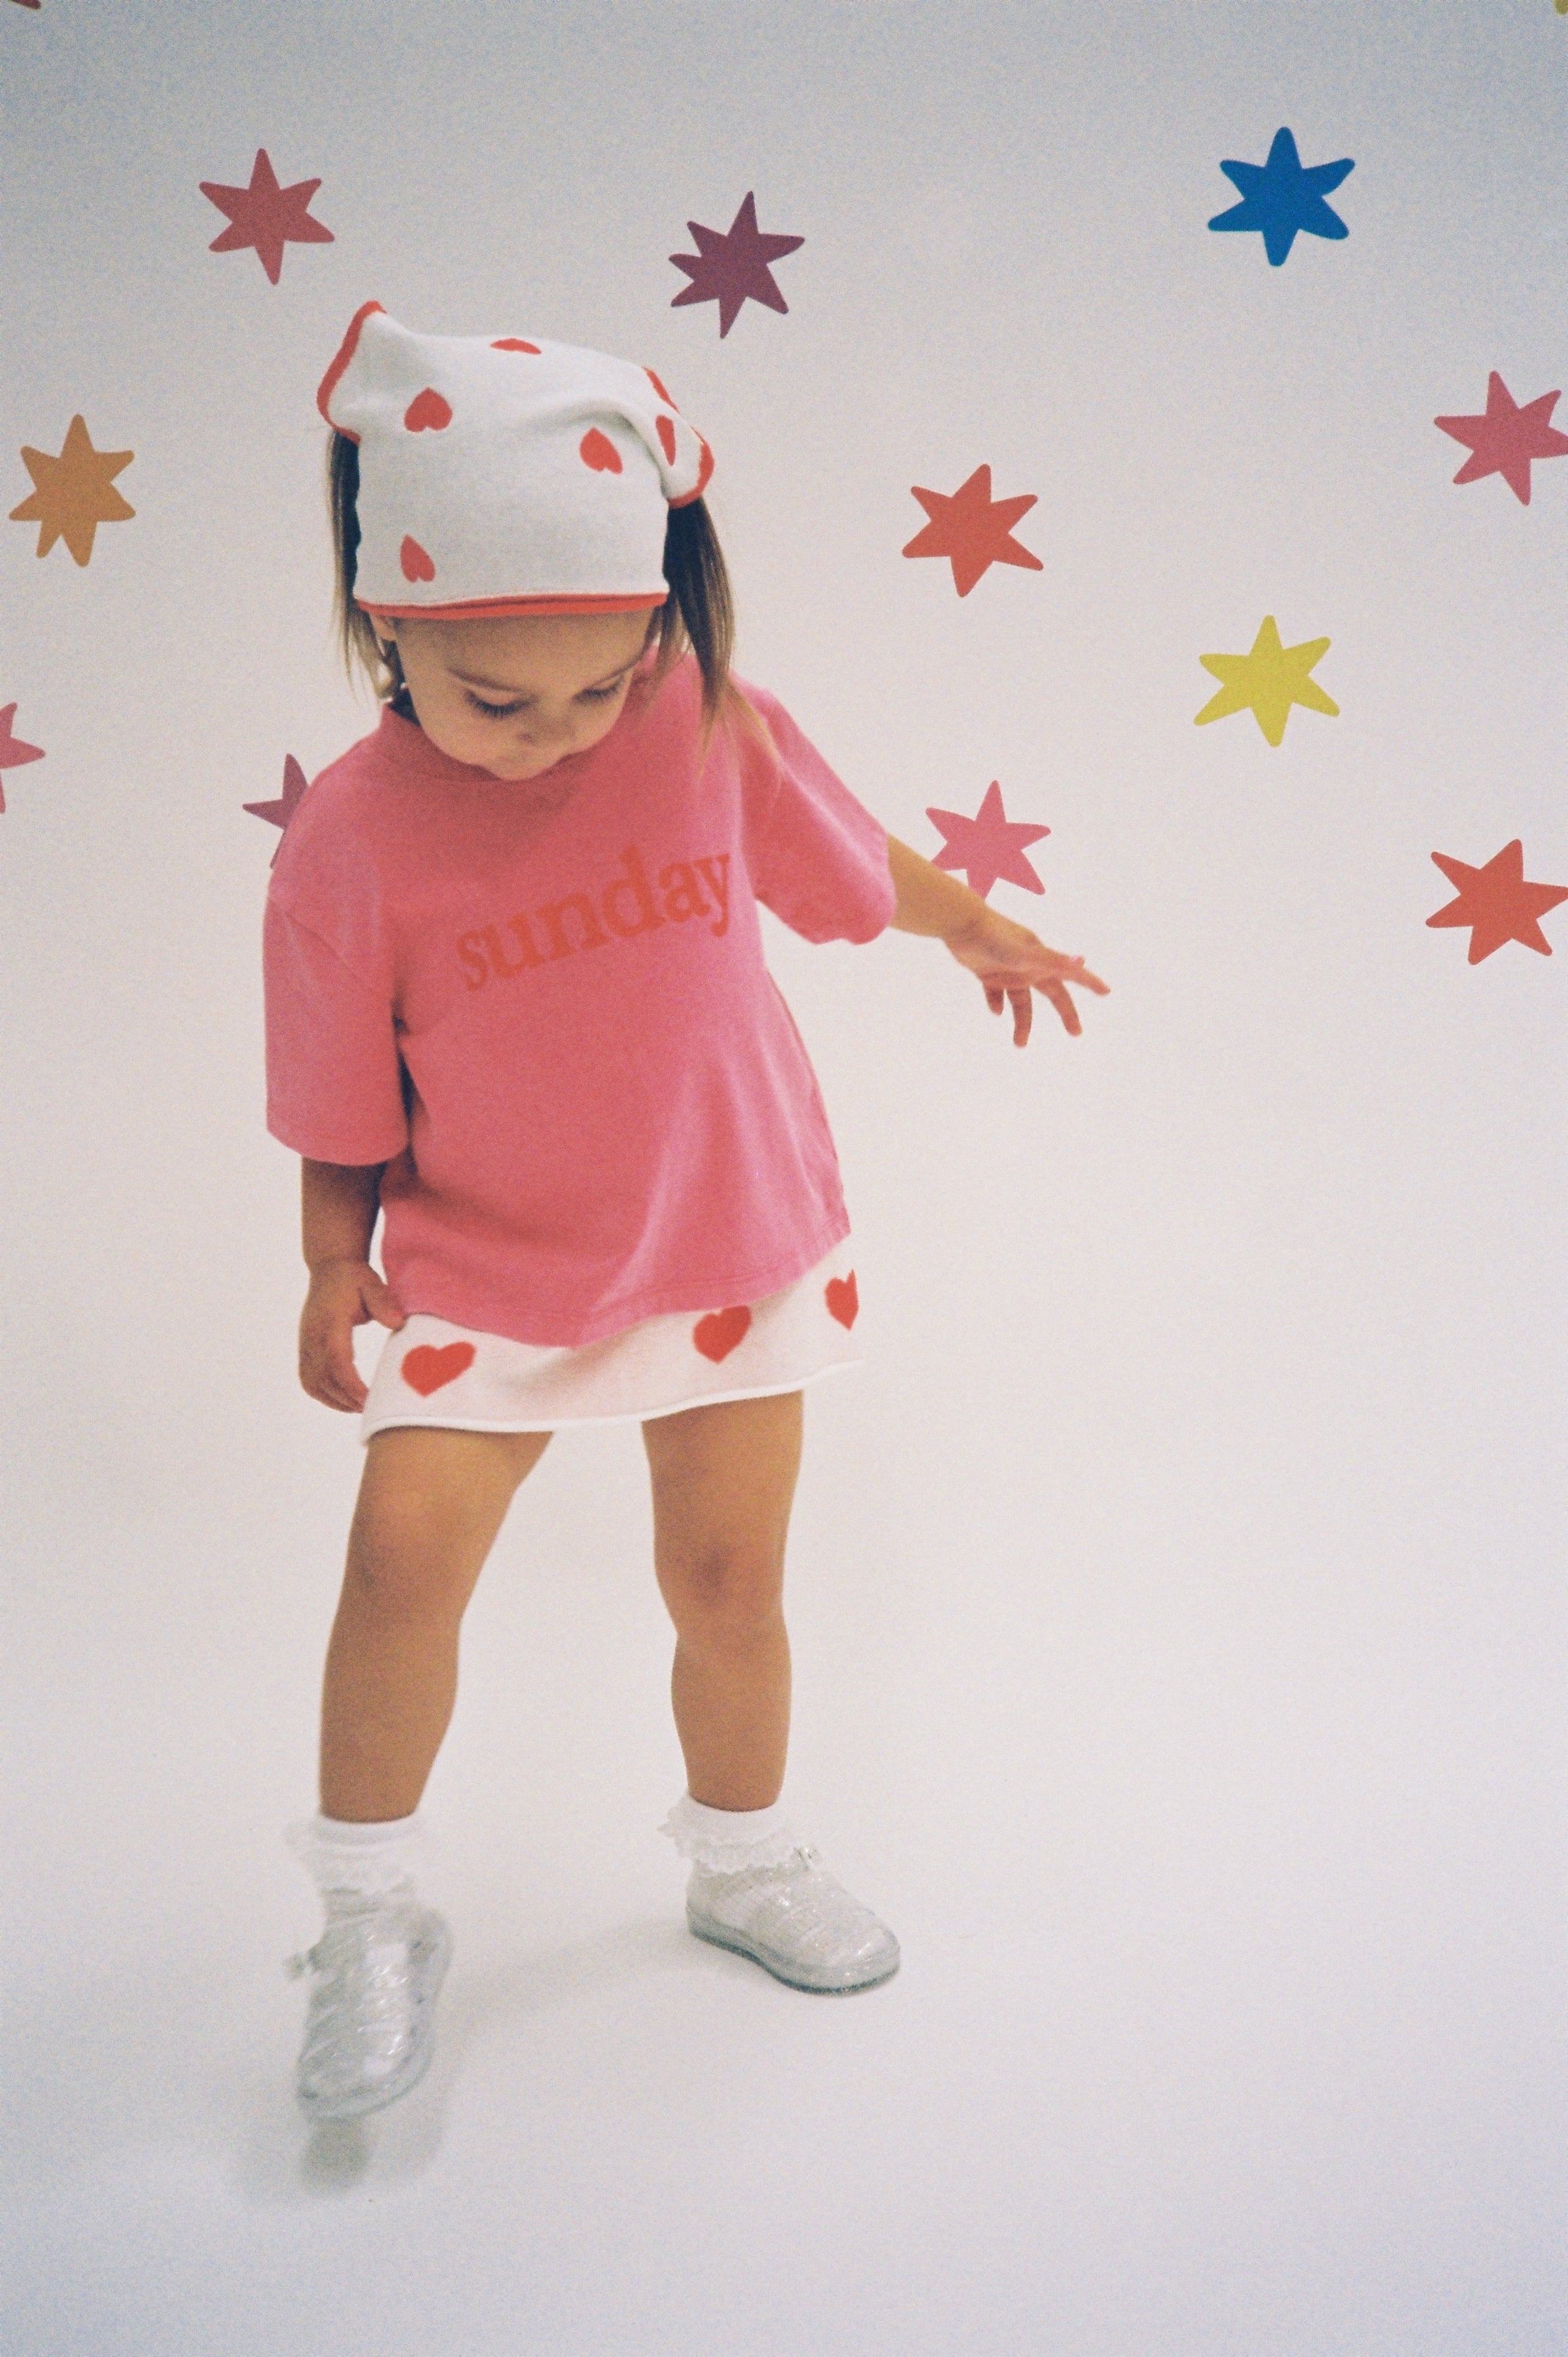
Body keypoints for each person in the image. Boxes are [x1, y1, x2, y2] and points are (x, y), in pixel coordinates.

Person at [266, 302, 1109, 2123]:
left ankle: (743, 1856)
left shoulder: (703, 716)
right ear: (382, 622)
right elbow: (336, 1082)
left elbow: (843, 854)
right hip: (487, 1258)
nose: (556, 736)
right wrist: (338, 1259)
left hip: (730, 1235)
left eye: (599, 684)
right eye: (496, 702)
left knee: (729, 1581)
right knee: (400, 1561)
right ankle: (366, 1912)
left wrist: (969, 921)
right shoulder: (349, 837)